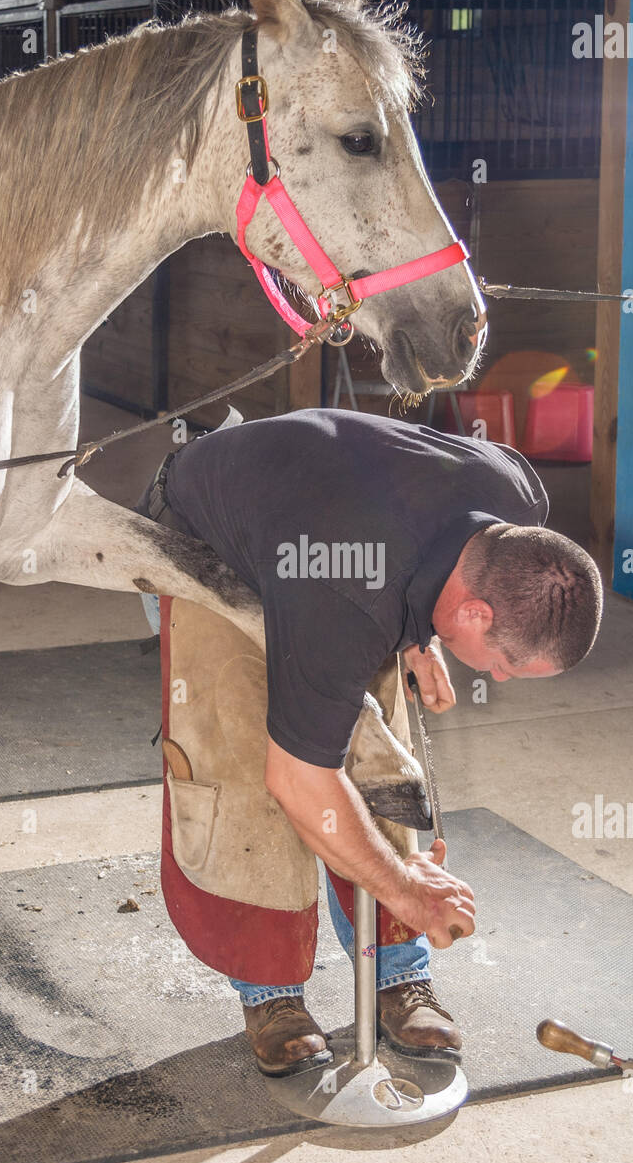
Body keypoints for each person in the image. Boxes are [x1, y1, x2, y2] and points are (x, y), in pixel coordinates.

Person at [136, 408, 603, 1076]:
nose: (494, 677)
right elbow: (299, 782)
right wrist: (406, 891)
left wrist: (421, 635)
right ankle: (272, 993)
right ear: (477, 610)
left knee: (382, 766)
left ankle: (397, 974)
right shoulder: (347, 598)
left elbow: (426, 545)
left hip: (321, 533)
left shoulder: (516, 498)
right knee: (251, 766)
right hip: (200, 544)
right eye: (502, 663)